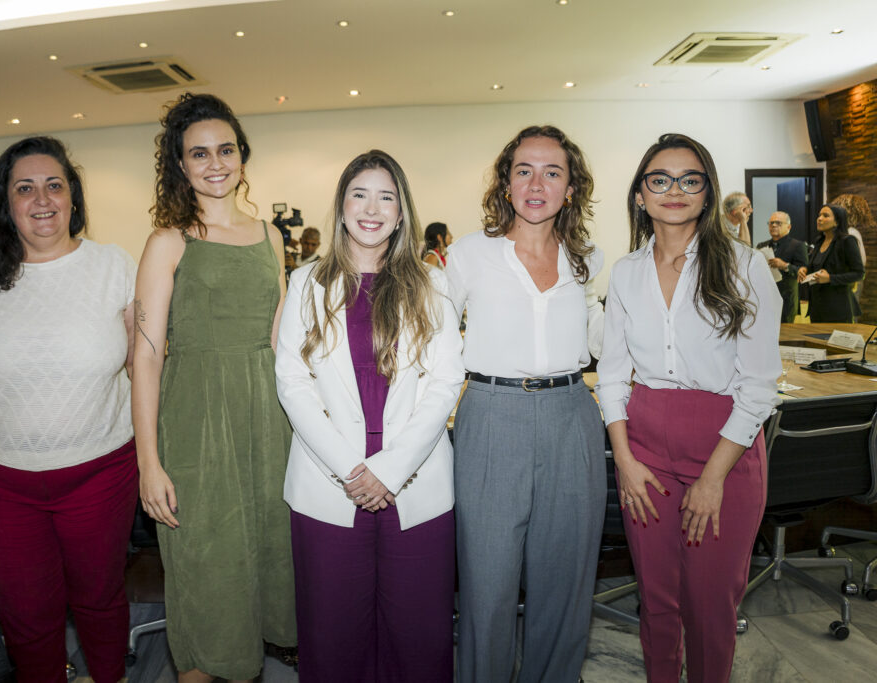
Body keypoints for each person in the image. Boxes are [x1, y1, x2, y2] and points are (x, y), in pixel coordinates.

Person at [0, 136, 138, 683]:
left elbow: (146, 372)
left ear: (73, 197)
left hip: (100, 472)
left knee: (100, 600)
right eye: (25, 187)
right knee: (26, 615)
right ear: (6, 201)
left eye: (54, 185)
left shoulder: (114, 267)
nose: (42, 199)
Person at [597, 133, 781, 683]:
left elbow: (759, 387)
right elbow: (610, 376)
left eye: (689, 180)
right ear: (639, 195)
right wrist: (625, 461)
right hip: (645, 449)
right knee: (656, 602)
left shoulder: (746, 268)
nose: (674, 190)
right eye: (659, 179)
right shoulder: (627, 273)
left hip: (724, 449)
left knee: (709, 607)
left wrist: (712, 478)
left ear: (707, 193)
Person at [275, 149, 463, 682]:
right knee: (332, 635)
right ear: (340, 207)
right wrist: (353, 469)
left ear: (402, 212)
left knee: (419, 635)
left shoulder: (433, 283)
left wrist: (390, 468)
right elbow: (292, 381)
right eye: (360, 193)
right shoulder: (306, 283)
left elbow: (445, 380)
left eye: (387, 196)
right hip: (327, 479)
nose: (372, 208)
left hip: (416, 480)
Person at [131, 93, 296, 683]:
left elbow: (282, 343)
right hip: (197, 424)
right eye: (198, 153)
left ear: (242, 156)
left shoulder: (271, 236)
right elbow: (145, 358)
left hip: (266, 420)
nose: (215, 163)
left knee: (268, 558)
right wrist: (148, 463)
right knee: (207, 570)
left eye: (226, 149)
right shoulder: (169, 241)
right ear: (180, 165)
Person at [447, 125, 606, 683]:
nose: (537, 183)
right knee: (487, 583)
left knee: (564, 582)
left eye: (552, 171)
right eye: (524, 170)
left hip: (572, 417)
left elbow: (603, 343)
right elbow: (437, 342)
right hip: (492, 415)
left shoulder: (586, 258)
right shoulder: (469, 254)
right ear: (506, 182)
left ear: (571, 186)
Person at [798, 203, 864, 323]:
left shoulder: (847, 241)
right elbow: (814, 266)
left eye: (825, 215)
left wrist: (830, 278)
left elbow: (859, 273)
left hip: (838, 307)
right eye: (819, 215)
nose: (819, 218)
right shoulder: (819, 242)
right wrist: (804, 269)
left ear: (837, 222)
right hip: (817, 307)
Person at [756, 211, 807, 322]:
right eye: (771, 223)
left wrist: (784, 265)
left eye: (778, 223)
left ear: (788, 227)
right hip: (766, 296)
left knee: (783, 332)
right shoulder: (761, 245)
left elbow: (804, 272)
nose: (773, 225)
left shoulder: (797, 245)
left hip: (787, 297)